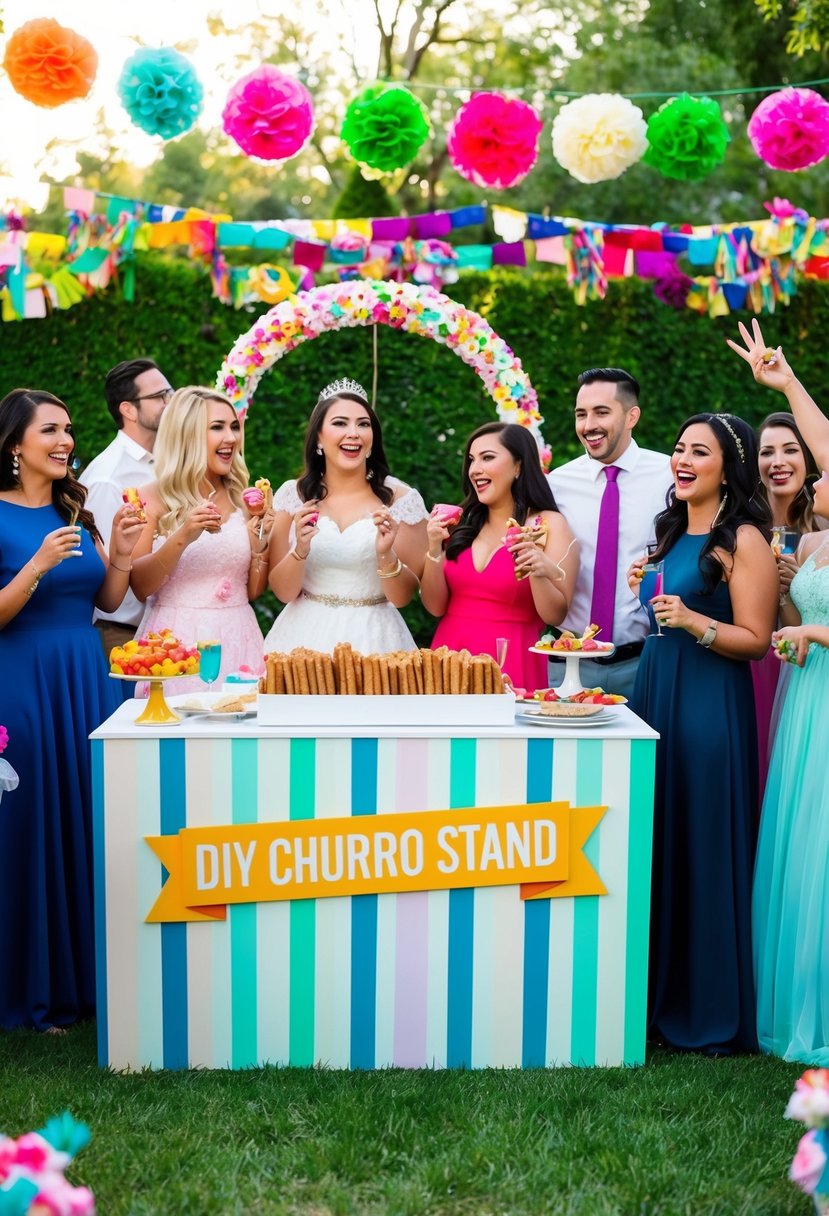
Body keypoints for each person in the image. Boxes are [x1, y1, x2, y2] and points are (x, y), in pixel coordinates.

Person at [628, 412, 778, 1055]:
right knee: (658, 842)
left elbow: (755, 639)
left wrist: (694, 620)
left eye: (700, 451)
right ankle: (655, 996)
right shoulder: (668, 532)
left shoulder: (743, 538)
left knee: (702, 844)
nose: (682, 460)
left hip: (709, 704)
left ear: (728, 466)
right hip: (656, 692)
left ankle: (708, 1007)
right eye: (680, 449)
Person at [0, 388, 143, 1030]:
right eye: (49, 431)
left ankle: (86, 984)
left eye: (68, 430)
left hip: (86, 676)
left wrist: (124, 548)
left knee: (83, 820)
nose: (65, 441)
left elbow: (110, 598)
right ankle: (29, 989)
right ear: (13, 446)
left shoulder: (76, 512)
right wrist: (35, 564)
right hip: (23, 679)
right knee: (31, 826)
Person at [262, 378, 428, 656]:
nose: (354, 433)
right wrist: (300, 551)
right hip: (302, 640)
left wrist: (386, 554)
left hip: (375, 640)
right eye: (340, 423)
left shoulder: (401, 500)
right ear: (318, 437)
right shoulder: (293, 496)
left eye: (363, 424)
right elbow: (282, 592)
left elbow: (402, 598)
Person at [752, 467, 829, 1065]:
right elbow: (790, 614)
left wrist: (811, 629)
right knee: (800, 842)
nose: (816, 478)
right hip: (805, 700)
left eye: (824, 471)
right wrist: (788, 619)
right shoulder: (812, 542)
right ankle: (794, 997)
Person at [129, 386, 268, 692]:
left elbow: (253, 592)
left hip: (239, 637)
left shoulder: (242, 498)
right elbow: (139, 586)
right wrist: (183, 536)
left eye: (234, 427)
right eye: (217, 427)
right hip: (175, 646)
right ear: (187, 435)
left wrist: (260, 546)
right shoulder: (149, 498)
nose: (231, 438)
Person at [422, 421, 577, 690]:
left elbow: (555, 615)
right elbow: (435, 607)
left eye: (487, 457)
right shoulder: (462, 526)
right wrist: (434, 547)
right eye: (471, 460)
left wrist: (537, 570)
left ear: (518, 465)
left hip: (513, 660)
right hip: (449, 661)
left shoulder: (546, 525)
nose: (475, 469)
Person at [547, 368, 672, 698]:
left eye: (602, 412)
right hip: (567, 666)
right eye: (581, 414)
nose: (589, 425)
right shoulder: (555, 486)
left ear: (632, 416)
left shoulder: (670, 477)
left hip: (644, 661)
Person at [752, 412, 826, 796]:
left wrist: (787, 590)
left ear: (810, 459)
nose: (777, 461)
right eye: (767, 452)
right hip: (746, 662)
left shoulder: (820, 530)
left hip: (799, 663)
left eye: (790, 450)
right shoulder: (743, 524)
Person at [79, 359, 173, 658]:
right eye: (160, 397)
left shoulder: (169, 461)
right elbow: (108, 574)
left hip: (167, 628)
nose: (170, 403)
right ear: (128, 409)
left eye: (171, 393)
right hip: (125, 636)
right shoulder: (108, 478)